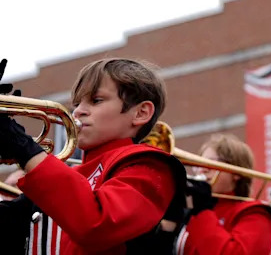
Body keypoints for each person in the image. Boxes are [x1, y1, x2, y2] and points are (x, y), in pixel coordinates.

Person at [0, 57, 186, 254]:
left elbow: (96, 225)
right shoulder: (68, 176)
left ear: (141, 113)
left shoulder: (149, 166)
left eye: (96, 100)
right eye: (77, 103)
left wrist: (24, 147)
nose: (78, 111)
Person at [175, 132, 271, 255]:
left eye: (211, 163)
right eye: (198, 163)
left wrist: (202, 211)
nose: (202, 169)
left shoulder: (255, 213)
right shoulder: (189, 212)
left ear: (236, 172)